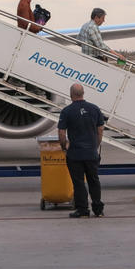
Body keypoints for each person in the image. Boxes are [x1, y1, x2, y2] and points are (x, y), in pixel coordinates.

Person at [58, 83, 105, 218]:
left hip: (75, 154)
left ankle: (83, 210)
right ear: (83, 93)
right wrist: (95, 145)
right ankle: (98, 210)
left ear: (71, 94)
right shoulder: (94, 109)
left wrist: (64, 147)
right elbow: (100, 130)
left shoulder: (67, 111)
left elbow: (61, 132)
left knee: (78, 183)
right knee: (94, 181)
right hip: (91, 153)